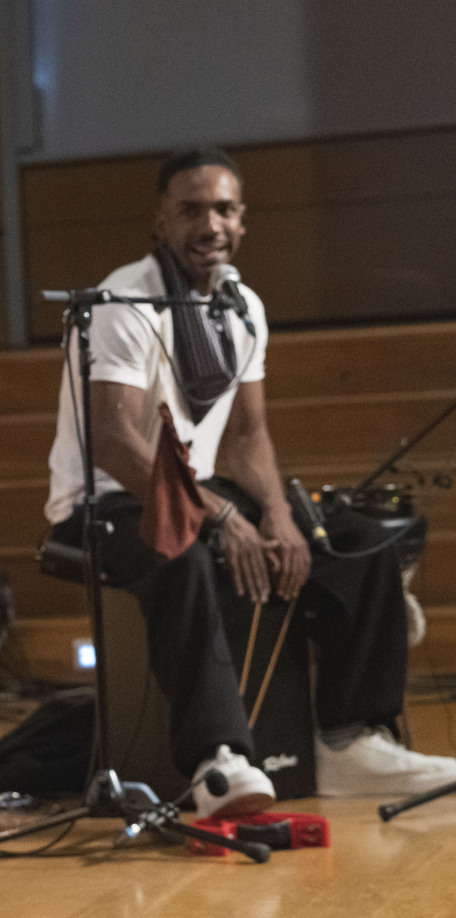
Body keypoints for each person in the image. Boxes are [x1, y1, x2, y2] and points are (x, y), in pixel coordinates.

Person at [44, 145, 456, 814]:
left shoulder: (242, 306)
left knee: (360, 542)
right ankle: (218, 759)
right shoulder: (125, 301)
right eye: (191, 211)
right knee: (182, 552)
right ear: (160, 220)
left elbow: (247, 436)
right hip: (108, 501)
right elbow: (117, 445)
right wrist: (223, 517)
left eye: (224, 210)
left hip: (199, 486)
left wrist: (278, 516)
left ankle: (350, 740)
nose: (210, 225)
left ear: (242, 220)